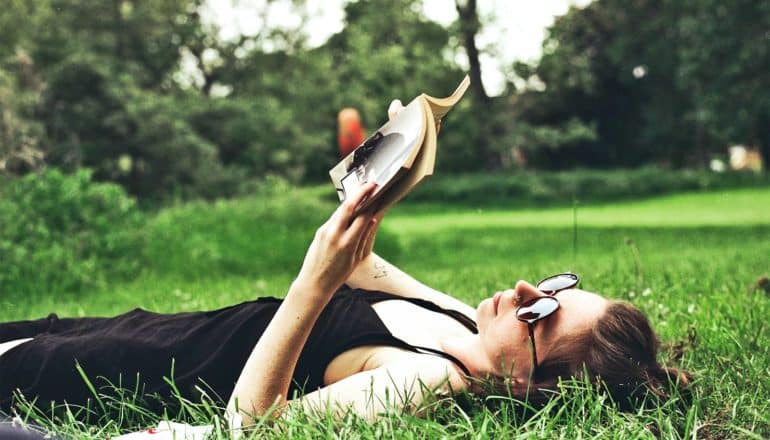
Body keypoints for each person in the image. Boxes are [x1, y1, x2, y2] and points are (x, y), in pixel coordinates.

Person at [0, 104, 690, 428]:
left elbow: (250, 428)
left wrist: (309, 287)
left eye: (542, 311)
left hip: (133, 368)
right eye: (557, 286)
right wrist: (385, 168)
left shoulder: (431, 380)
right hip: (158, 329)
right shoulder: (466, 329)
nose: (524, 290)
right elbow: (364, 271)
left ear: (530, 382)